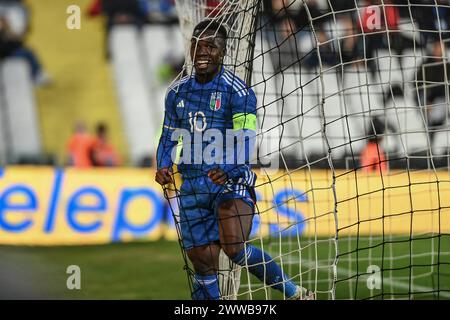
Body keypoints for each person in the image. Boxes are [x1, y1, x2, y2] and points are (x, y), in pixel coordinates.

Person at [155, 20, 315, 300]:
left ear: (223, 52)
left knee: (234, 247)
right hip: (192, 186)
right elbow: (168, 137)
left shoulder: (238, 92)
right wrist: (164, 164)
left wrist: (227, 169)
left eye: (210, 46)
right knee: (201, 261)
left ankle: (295, 294)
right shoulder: (176, 93)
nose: (202, 51)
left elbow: (245, 138)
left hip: (231, 182)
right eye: (197, 45)